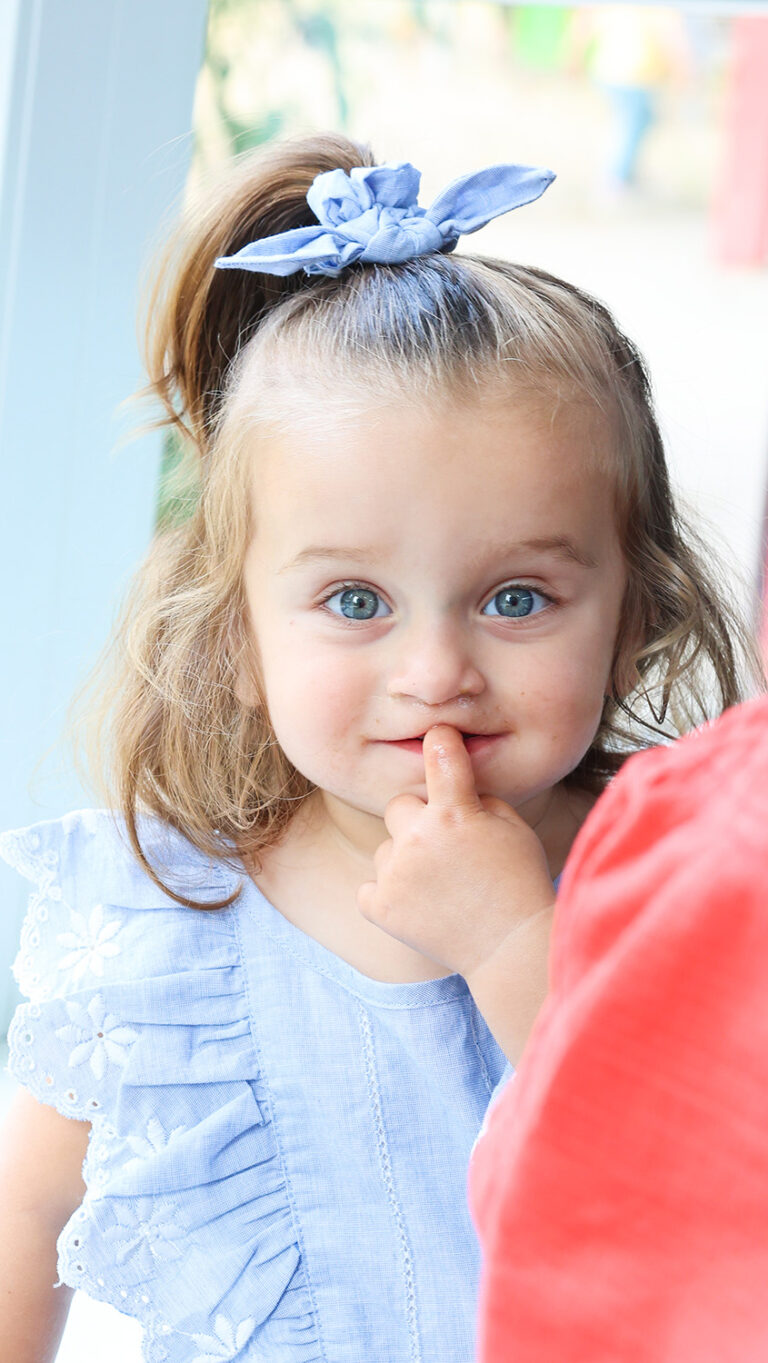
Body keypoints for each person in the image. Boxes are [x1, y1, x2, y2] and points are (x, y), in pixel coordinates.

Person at [0, 132, 753, 1363]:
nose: (434, 671)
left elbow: (697, 1197)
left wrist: (517, 939)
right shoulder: (162, 926)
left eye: (516, 598)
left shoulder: (669, 885)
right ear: (236, 635)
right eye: (355, 601)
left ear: (637, 619)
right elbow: (28, 1212)